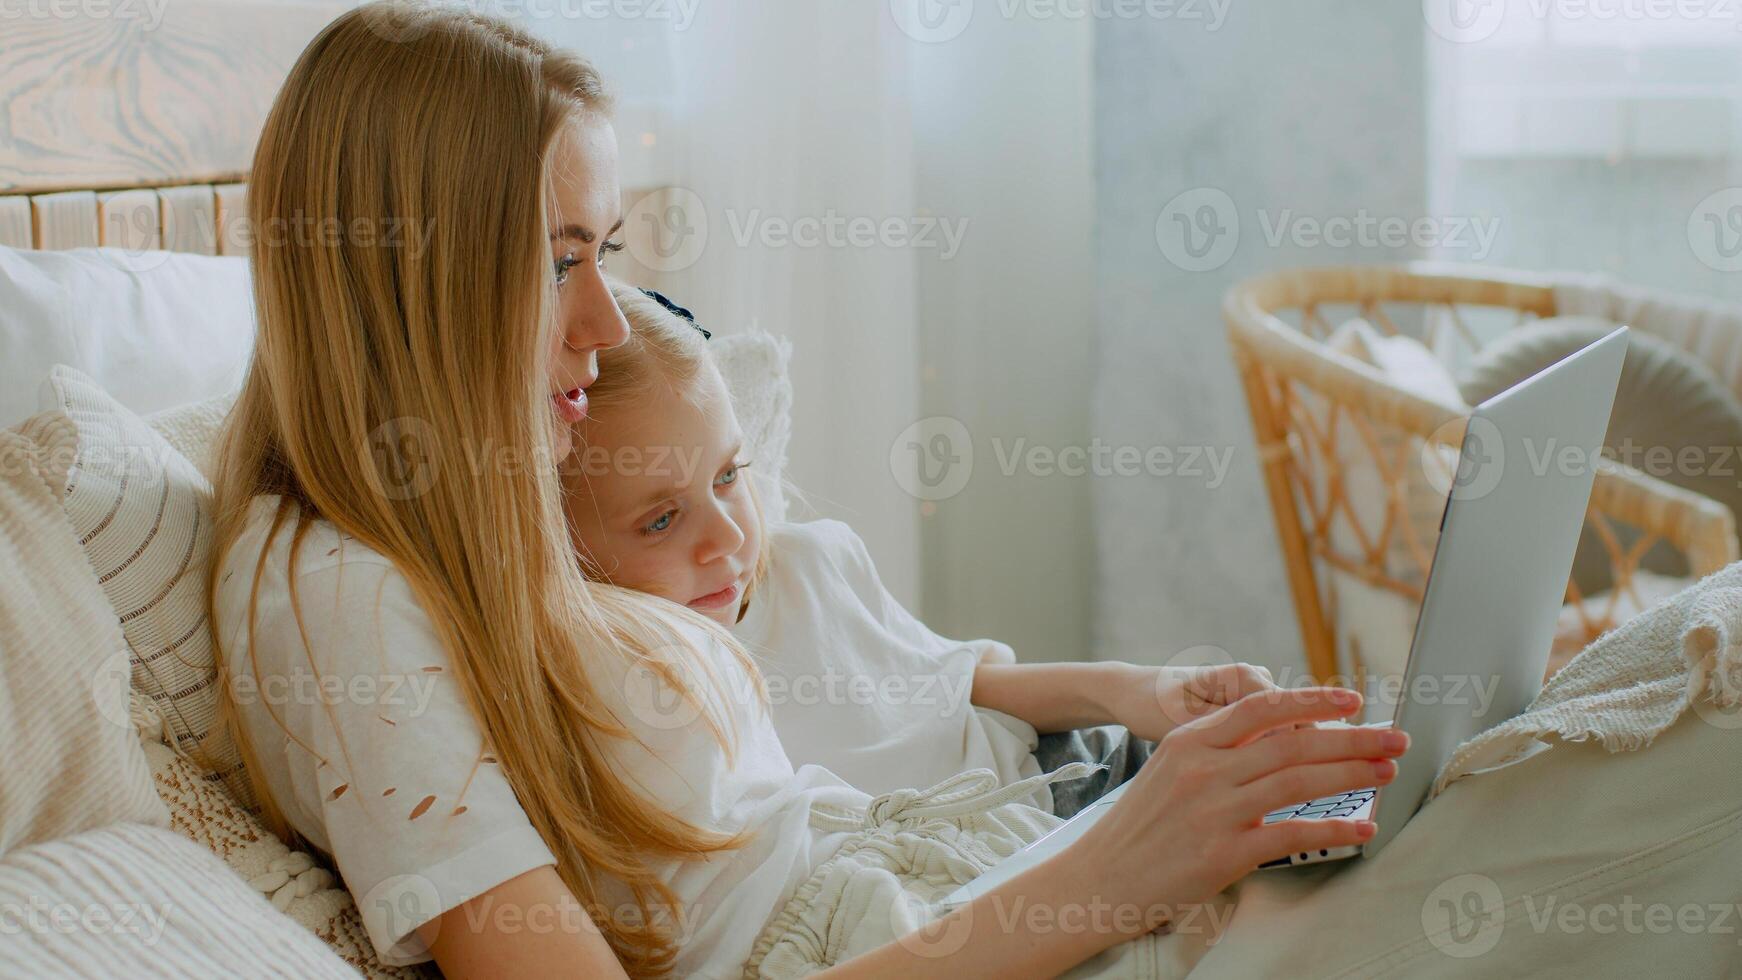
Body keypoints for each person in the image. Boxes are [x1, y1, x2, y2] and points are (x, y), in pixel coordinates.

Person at [207, 5, 1403, 977]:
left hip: (927, 882)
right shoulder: (342, 592)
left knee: (1438, 801)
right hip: (915, 927)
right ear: (412, 281)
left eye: (605, 253)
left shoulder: (475, 528)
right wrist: (1117, 871)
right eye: (560, 258)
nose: (606, 318)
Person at [562, 280, 1271, 819]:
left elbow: (963, 686)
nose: (729, 536)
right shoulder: (629, 699)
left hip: (1062, 771)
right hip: (996, 857)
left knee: (1315, 800)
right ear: (560, 548)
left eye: (727, 476)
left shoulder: (809, 565)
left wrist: (1138, 690)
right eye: (661, 520)